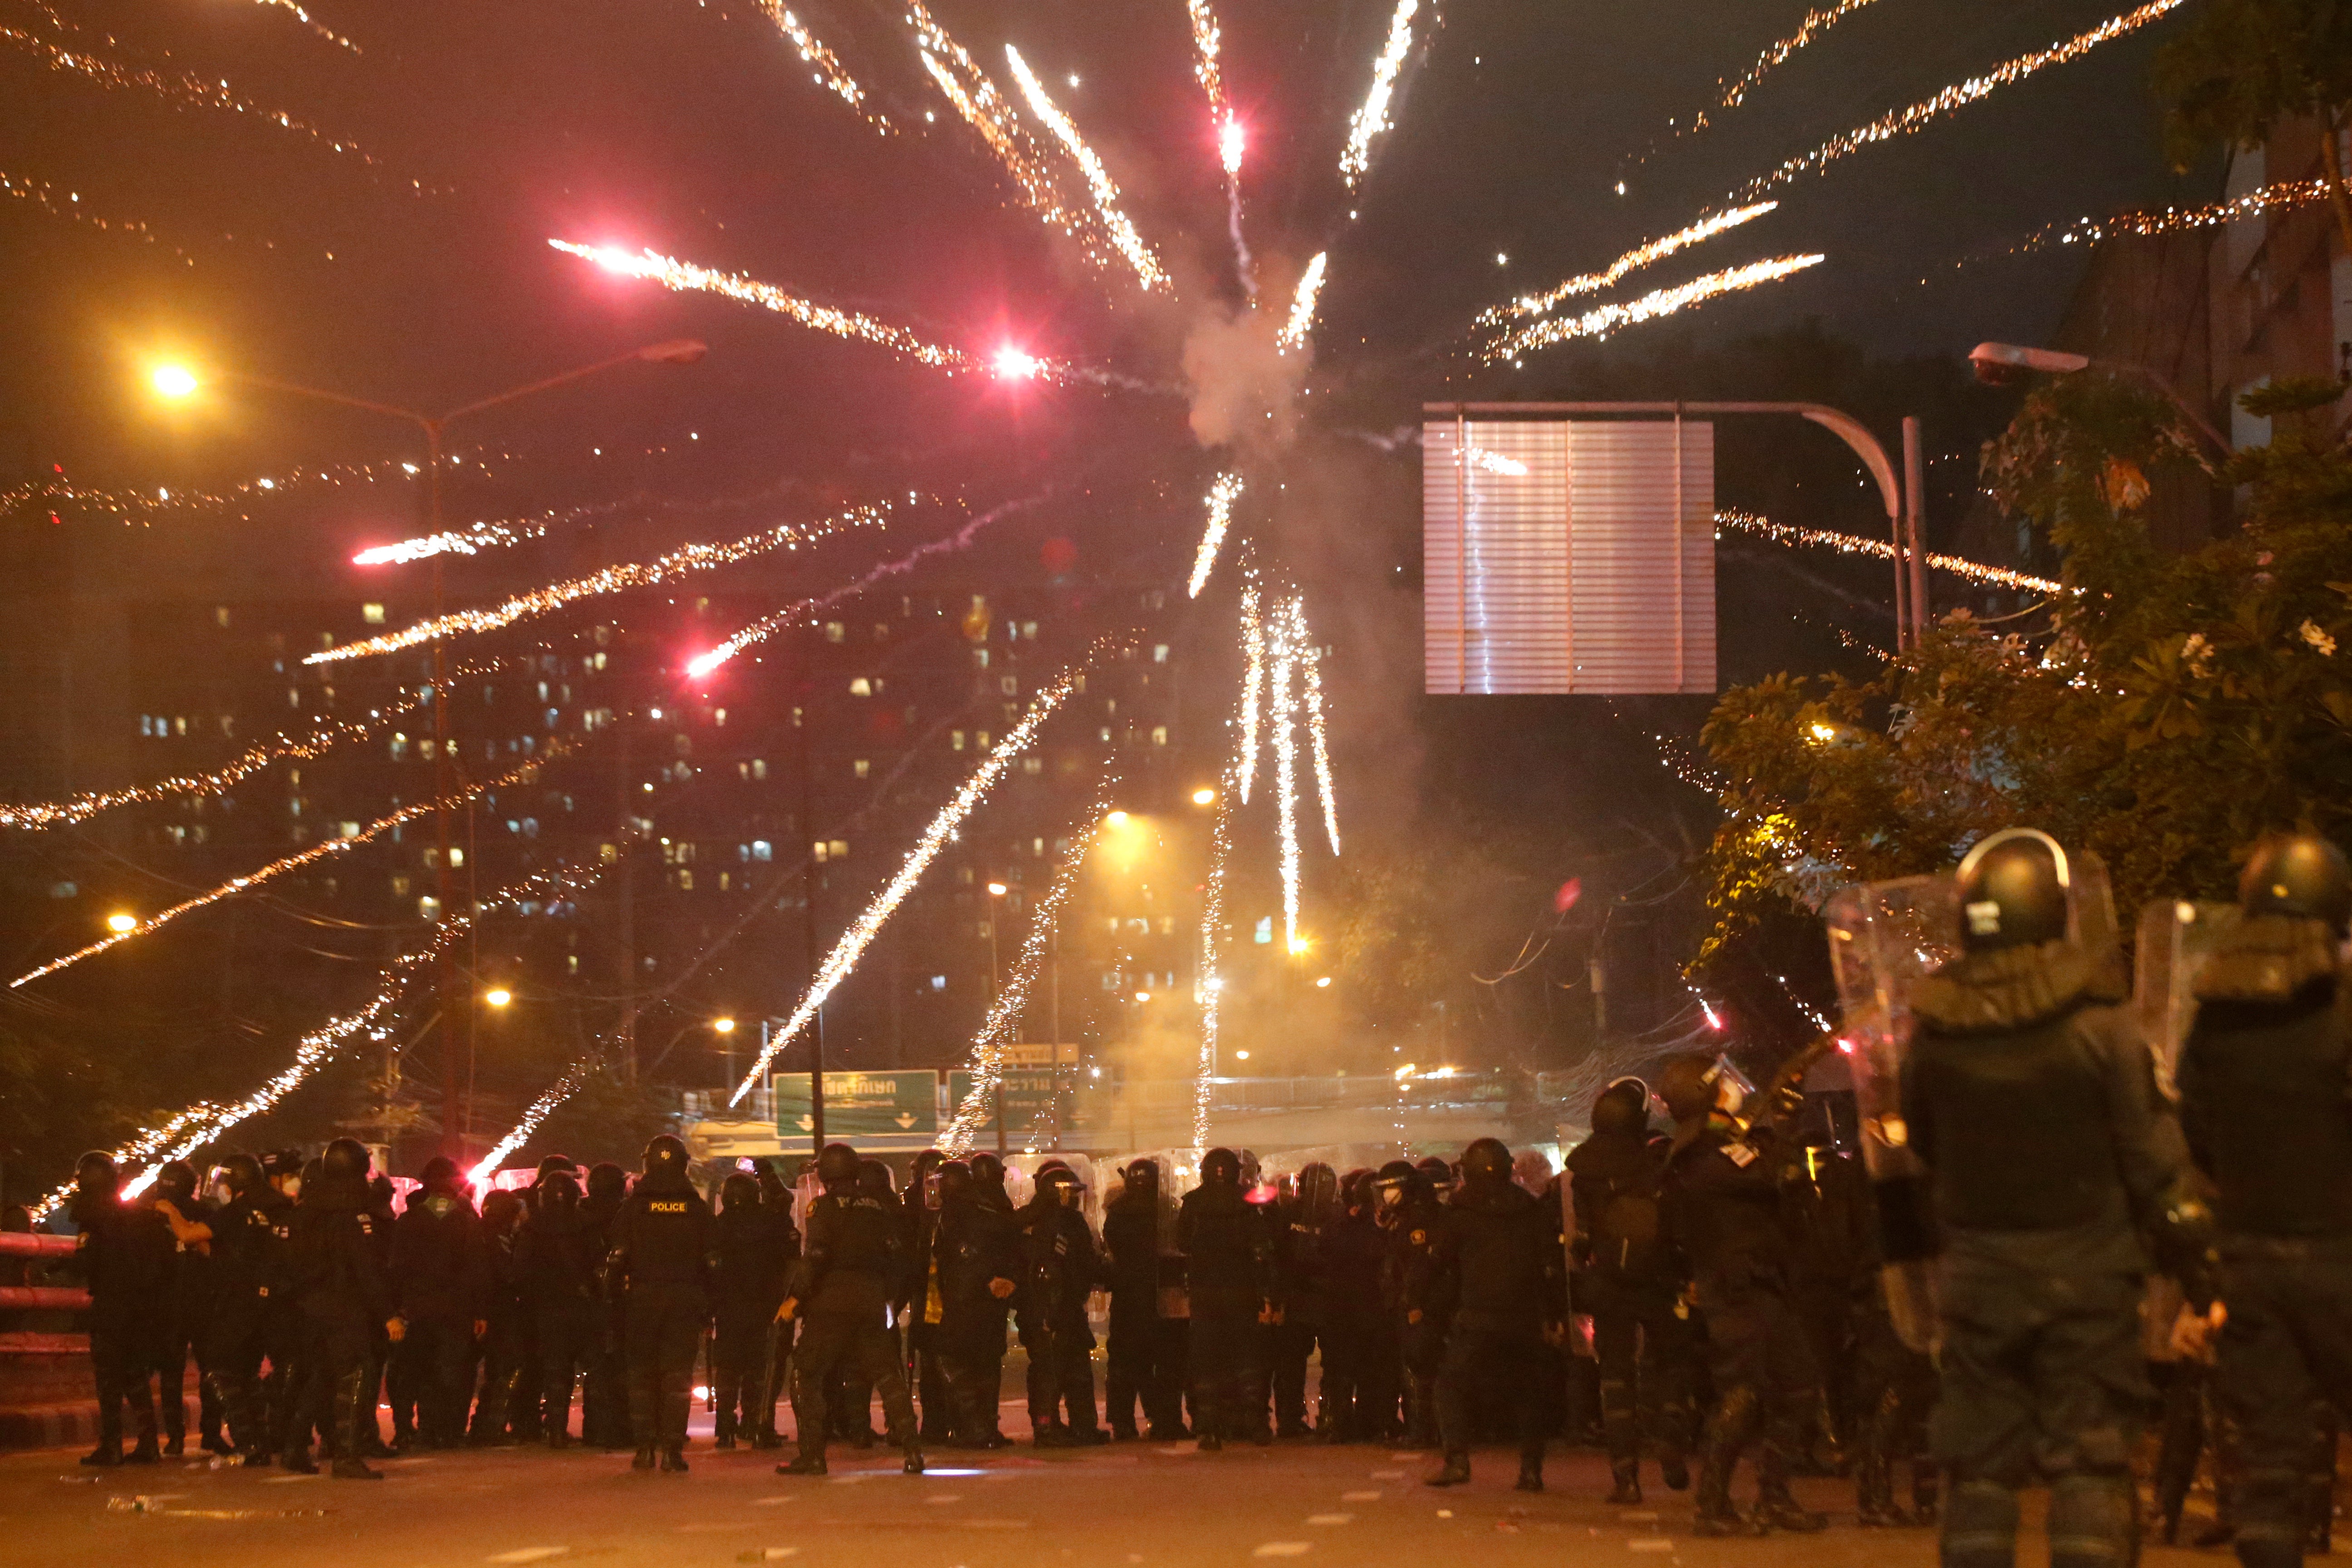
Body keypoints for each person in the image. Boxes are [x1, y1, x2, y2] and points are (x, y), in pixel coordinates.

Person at [1902, 828, 2210, 1568]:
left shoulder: (1933, 1035)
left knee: (1978, 1469)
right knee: (2088, 1462)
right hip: (2089, 1282)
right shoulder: (2101, 1028)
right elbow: (2148, 1159)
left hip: (1978, 1280)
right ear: (2053, 912)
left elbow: (1920, 1145)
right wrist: (2199, 1266)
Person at [2176, 831, 2352, 1568]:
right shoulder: (2342, 1006)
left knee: (2267, 1467)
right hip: (2340, 1254)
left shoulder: (2214, 1016)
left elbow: (2192, 1129)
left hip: (2245, 1260)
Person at [1658, 1054, 1828, 1535]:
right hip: (1734, 1289)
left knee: (1799, 1386)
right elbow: (1773, 1176)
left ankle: (1774, 1496)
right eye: (1721, 1084)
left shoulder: (1726, 1142)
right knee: (1743, 1393)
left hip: (1764, 1285)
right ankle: (1712, 1505)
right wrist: (1786, 1124)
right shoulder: (1700, 1152)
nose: (1734, 1087)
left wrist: (1779, 1121)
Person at [1569, 1077, 1693, 1504]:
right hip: (1658, 1280)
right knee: (1671, 1363)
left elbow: (1578, 1237)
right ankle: (1671, 1438)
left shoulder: (1582, 1168)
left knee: (1615, 1378)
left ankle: (1626, 1478)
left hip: (1607, 1285)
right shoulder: (1656, 1159)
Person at [1424, 1137, 1566, 1493]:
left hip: (1476, 1315)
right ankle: (1531, 1471)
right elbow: (1549, 1266)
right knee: (1529, 1393)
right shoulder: (1530, 1209)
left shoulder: (1461, 1211)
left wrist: (1425, 1300)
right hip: (1524, 1316)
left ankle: (1457, 1461)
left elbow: (1438, 1262)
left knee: (1451, 1385)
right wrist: (1554, 1316)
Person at [776, 1142, 923, 1477]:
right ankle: (913, 1451)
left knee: (807, 1373)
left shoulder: (822, 1208)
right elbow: (896, 1258)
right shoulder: (878, 1208)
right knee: (888, 1375)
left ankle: (813, 1455)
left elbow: (816, 1255)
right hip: (871, 1303)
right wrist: (887, 1297)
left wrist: (797, 1297)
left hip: (831, 1304)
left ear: (825, 1174)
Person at [160, 1152, 289, 1465]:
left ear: (237, 1184)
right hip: (271, 1303)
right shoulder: (274, 1209)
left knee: (219, 1369)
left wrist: (170, 1212)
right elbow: (221, 1249)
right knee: (247, 1372)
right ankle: (264, 1438)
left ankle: (247, 1441)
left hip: (239, 1301)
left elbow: (190, 1235)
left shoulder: (236, 1212)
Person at [284, 1138, 399, 1480]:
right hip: (345, 1306)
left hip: (308, 1306)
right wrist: (388, 1313)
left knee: (321, 1375)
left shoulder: (307, 1209)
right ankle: (347, 1454)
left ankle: (294, 1447)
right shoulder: (354, 1210)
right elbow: (364, 1267)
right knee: (358, 1372)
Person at [605, 1135, 711, 1473]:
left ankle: (644, 1449)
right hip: (684, 1303)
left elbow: (615, 1260)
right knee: (677, 1379)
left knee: (642, 1377)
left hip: (641, 1302)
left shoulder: (633, 1208)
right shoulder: (696, 1208)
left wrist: (613, 1305)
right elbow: (713, 1263)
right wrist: (708, 1309)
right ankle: (673, 1452)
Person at [69, 1152, 169, 1465]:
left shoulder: (93, 1217)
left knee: (109, 1377)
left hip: (111, 1307)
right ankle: (149, 1442)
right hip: (141, 1307)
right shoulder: (135, 1216)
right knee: (134, 1375)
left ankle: (111, 1444)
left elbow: (86, 1263)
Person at [1177, 1147, 1273, 1451]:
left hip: (1206, 1296)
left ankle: (1208, 1429)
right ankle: (1255, 1425)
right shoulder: (1247, 1202)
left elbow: (1182, 1244)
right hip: (1242, 1293)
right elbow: (1262, 1250)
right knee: (1247, 1362)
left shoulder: (1192, 1203)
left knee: (1207, 1365)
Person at [389, 1156, 481, 1450]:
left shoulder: (408, 1220)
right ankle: (450, 1430)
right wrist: (480, 1311)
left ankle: (427, 1429)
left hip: (419, 1308)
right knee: (453, 1369)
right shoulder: (467, 1221)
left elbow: (397, 1269)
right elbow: (477, 1270)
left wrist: (399, 1308)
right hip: (457, 1309)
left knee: (423, 1369)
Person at [932, 1158, 1021, 1448]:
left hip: (964, 1298)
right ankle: (987, 1427)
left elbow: (963, 1254)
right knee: (987, 1363)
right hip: (991, 1300)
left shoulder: (958, 1211)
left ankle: (973, 1429)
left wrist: (983, 1278)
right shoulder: (992, 1207)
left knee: (955, 1361)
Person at [1021, 1163, 1109, 1445]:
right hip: (1049, 1308)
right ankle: (1046, 1428)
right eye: (1069, 1192)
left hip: (1068, 1305)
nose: (1074, 1198)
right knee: (1049, 1371)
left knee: (1077, 1368)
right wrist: (1049, 1311)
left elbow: (1083, 1263)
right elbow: (1048, 1271)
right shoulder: (1046, 1223)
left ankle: (1083, 1424)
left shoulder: (1067, 1221)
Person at [517, 1168, 603, 1447]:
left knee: (556, 1371)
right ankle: (595, 1430)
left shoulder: (532, 1227)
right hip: (584, 1307)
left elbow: (522, 1270)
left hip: (548, 1309)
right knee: (593, 1371)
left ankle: (556, 1430)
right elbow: (598, 1265)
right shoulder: (587, 1224)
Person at [144, 1160, 225, 1455]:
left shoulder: (148, 1214)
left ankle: (176, 1437)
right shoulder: (206, 1213)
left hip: (165, 1305)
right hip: (203, 1303)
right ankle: (211, 1434)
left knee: (171, 1373)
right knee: (210, 1370)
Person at [1101, 1157, 1186, 1440]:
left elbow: (1113, 1248)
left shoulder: (1118, 1211)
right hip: (1163, 1294)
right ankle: (1164, 1421)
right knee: (1165, 1362)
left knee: (1125, 1364)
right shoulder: (1167, 1208)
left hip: (1128, 1297)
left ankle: (1124, 1423)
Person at [710, 1171, 794, 1449]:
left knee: (728, 1368)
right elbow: (790, 1257)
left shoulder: (719, 1225)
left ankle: (724, 1427)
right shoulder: (770, 1221)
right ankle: (755, 1424)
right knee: (759, 1370)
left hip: (727, 1308)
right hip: (764, 1308)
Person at [468, 1189, 531, 1445]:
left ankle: (482, 1426)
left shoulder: (480, 1231)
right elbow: (500, 1275)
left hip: (481, 1311)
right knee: (504, 1369)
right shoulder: (497, 1238)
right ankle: (488, 1426)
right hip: (496, 1312)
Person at [579, 1161, 631, 1449]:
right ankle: (621, 1428)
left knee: (596, 1367)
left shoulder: (580, 1214)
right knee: (621, 1365)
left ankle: (594, 1429)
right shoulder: (628, 1212)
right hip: (622, 1298)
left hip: (587, 1300)